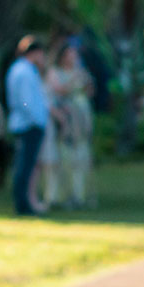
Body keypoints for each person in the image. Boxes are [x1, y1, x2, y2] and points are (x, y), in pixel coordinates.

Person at [44, 42, 96, 208]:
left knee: (81, 158)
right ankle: (61, 196)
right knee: (63, 158)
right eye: (70, 54)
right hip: (65, 120)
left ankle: (80, 194)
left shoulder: (81, 72)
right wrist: (74, 82)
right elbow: (58, 90)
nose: (73, 57)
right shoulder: (55, 72)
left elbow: (89, 90)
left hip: (80, 119)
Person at [5, 36, 50, 216]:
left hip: (28, 122)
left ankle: (25, 202)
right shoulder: (23, 71)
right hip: (28, 124)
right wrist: (36, 118)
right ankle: (22, 204)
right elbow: (25, 101)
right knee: (25, 166)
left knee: (26, 165)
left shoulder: (24, 70)